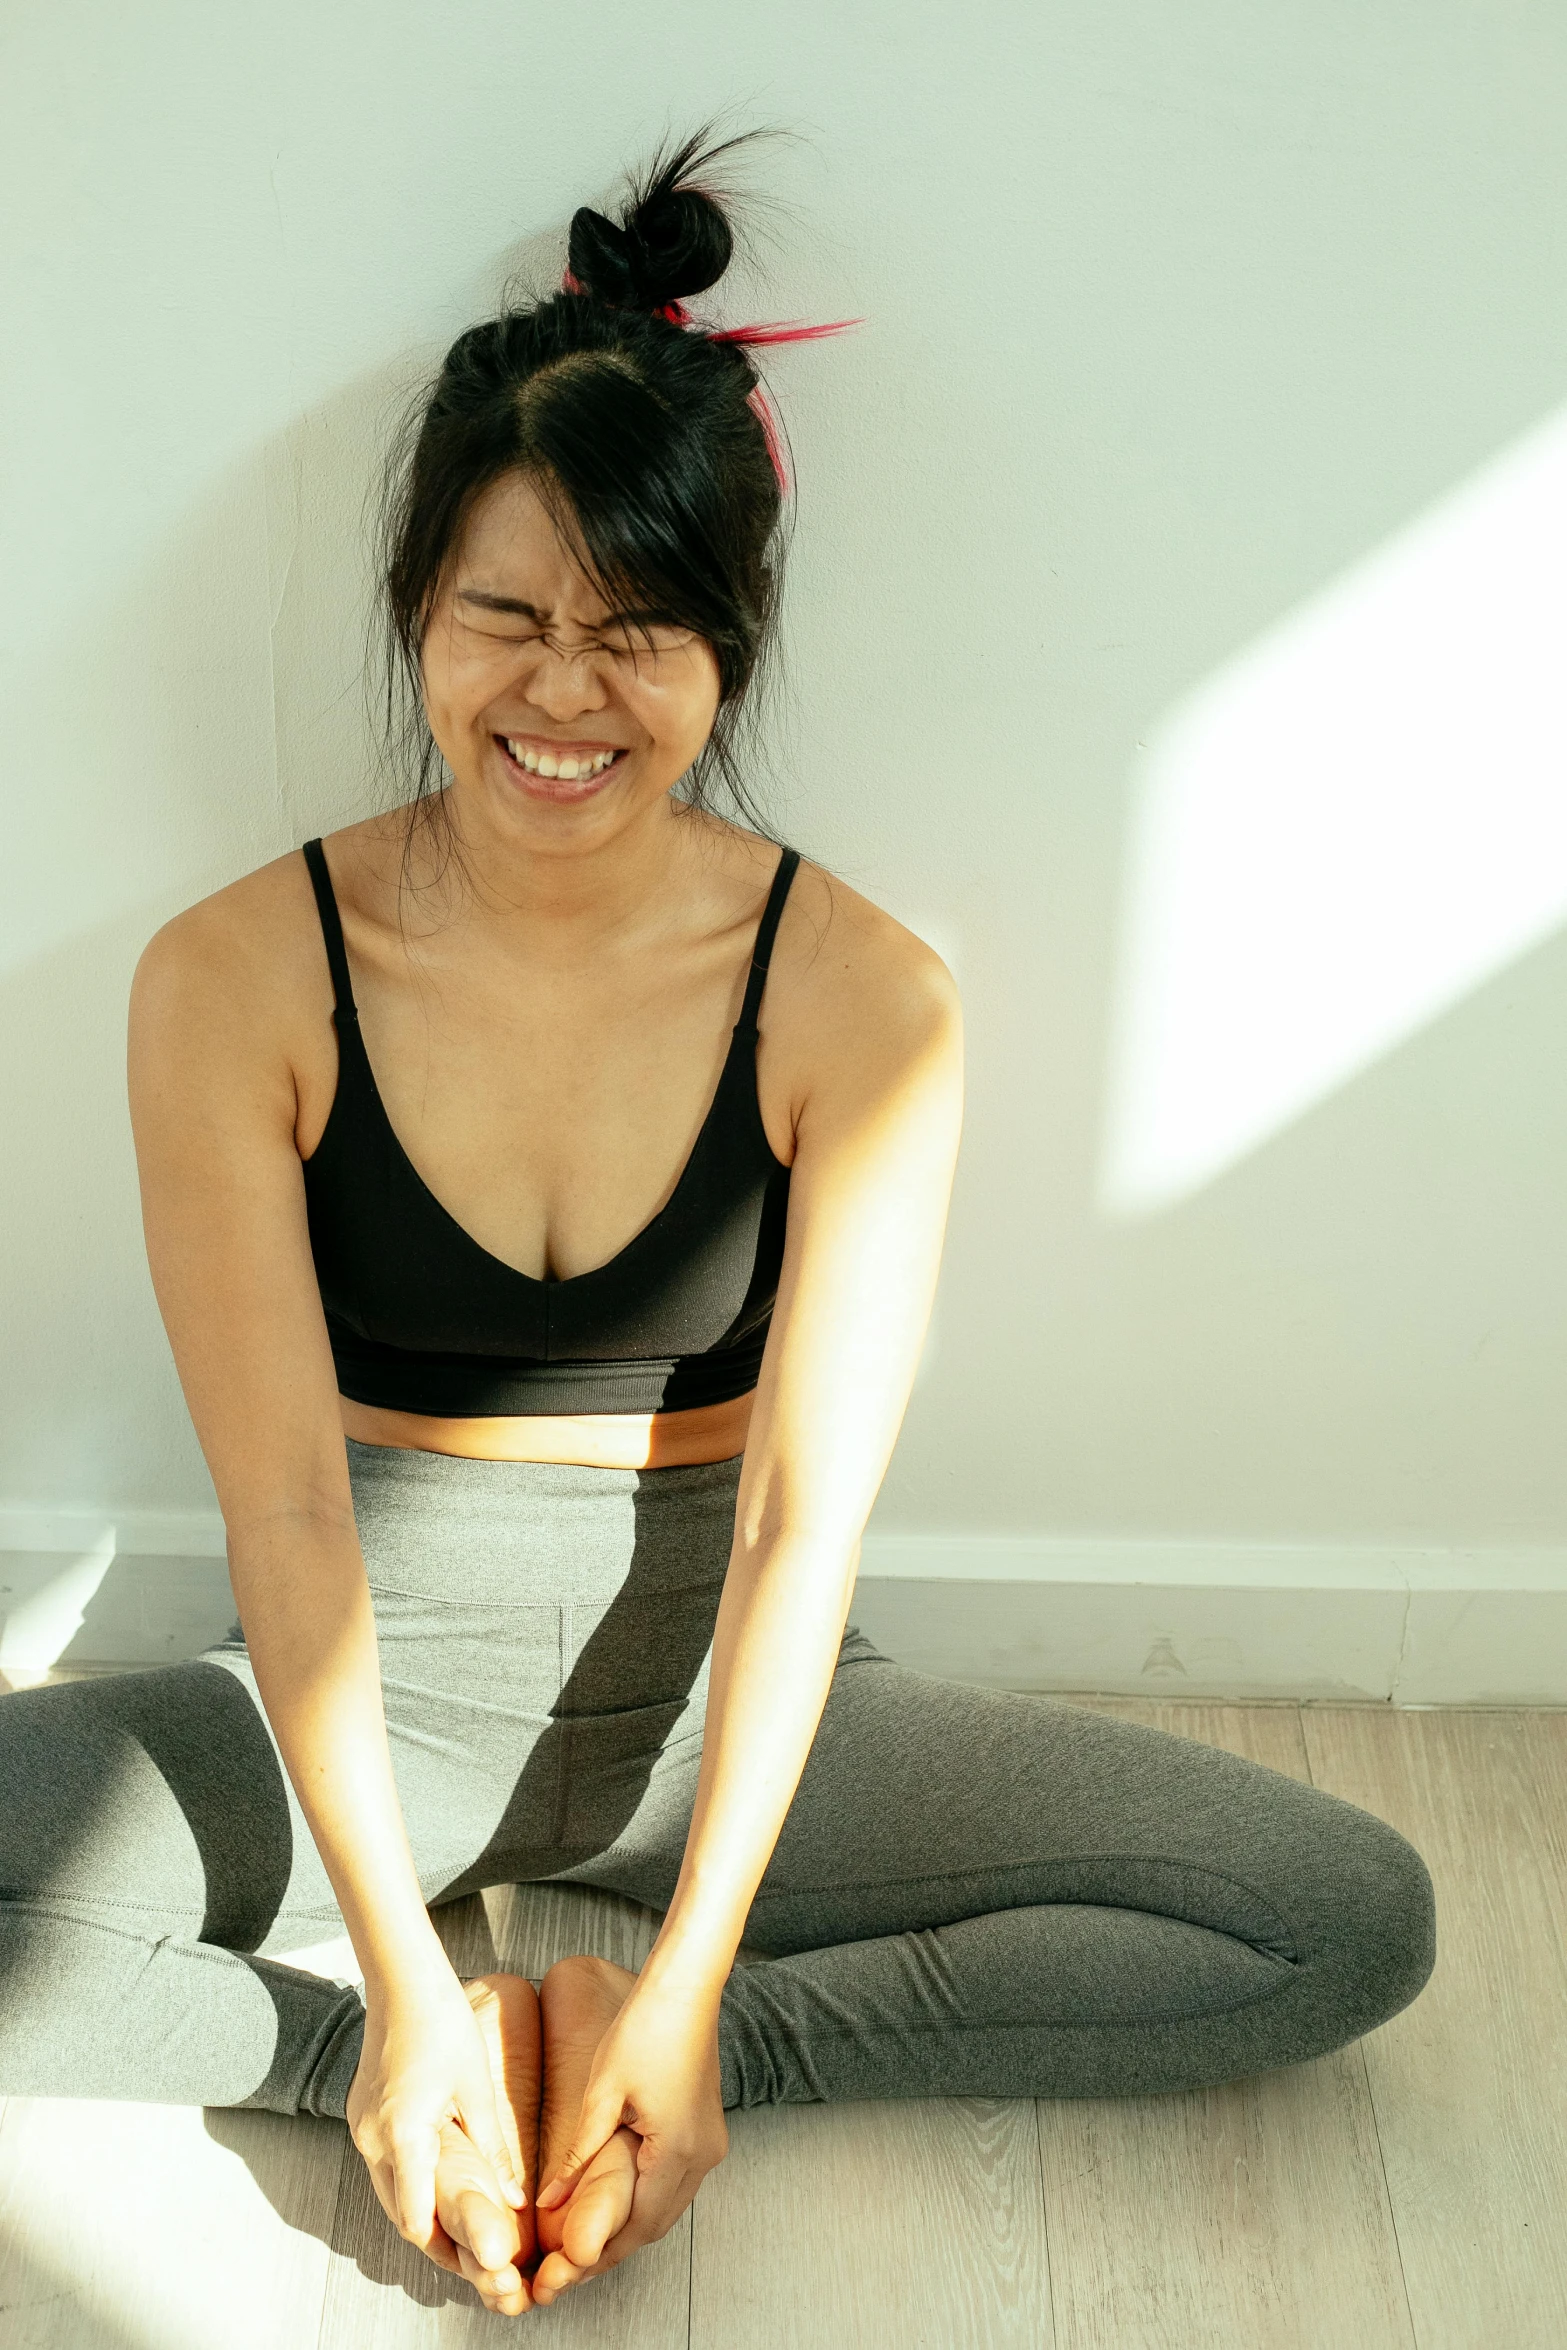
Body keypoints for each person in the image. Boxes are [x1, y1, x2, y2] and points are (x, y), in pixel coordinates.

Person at [0, 131, 1435, 2318]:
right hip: (372, 1685)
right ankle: (420, 2069)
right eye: (508, 615)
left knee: (1344, 1914)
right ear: (416, 609)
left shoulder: (863, 995)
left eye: (639, 631)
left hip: (730, 1690)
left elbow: (793, 1531)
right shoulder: (235, 973)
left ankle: (663, 2063)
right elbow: (288, 1508)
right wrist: (385, 2004)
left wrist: (694, 2004)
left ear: (730, 652)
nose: (563, 690)